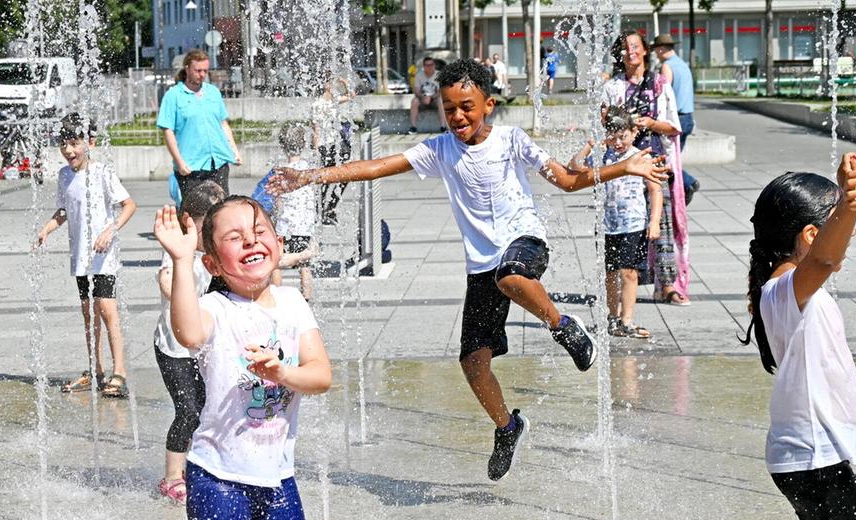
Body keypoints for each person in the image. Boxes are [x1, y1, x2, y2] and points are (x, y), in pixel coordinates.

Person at [268, 59, 666, 481]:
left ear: (488, 104)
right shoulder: (439, 150)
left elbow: (567, 180)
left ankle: (563, 324)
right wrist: (311, 176)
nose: (458, 116)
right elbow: (376, 167)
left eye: (467, 107)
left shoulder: (512, 140)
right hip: (481, 265)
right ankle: (507, 428)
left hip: (524, 242)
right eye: (449, 107)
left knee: (511, 275)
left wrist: (624, 166)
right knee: (473, 364)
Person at [153, 196, 331, 520]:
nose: (250, 241)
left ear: (278, 241)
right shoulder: (216, 309)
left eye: (258, 232)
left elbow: (321, 375)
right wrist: (180, 260)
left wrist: (281, 371)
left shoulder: (292, 303)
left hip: (278, 479)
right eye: (234, 238)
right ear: (213, 263)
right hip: (218, 479)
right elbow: (188, 332)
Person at [716, 154, 856, 520]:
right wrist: (849, 204)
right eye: (831, 229)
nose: (839, 243)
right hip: (815, 454)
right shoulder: (788, 288)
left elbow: (824, 258)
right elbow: (827, 258)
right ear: (809, 235)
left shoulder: (783, 289)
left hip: (813, 453)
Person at [37, 114, 138, 398]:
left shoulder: (103, 172)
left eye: (74, 143)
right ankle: (96, 370)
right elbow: (64, 211)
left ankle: (120, 372)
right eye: (63, 144)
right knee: (89, 314)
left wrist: (110, 229)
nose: (69, 150)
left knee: (107, 311)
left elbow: (129, 205)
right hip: (80, 257)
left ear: (89, 142)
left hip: (103, 255)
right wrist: (48, 227)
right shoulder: (64, 175)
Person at [603, 30, 692, 307]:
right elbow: (604, 126)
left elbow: (673, 126)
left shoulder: (659, 84)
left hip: (653, 161)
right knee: (624, 223)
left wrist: (650, 124)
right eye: (625, 47)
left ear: (644, 50)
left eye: (635, 46)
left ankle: (667, 286)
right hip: (624, 165)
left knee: (662, 225)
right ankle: (625, 282)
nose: (631, 51)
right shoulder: (612, 87)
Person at [154, 182, 225, 506]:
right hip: (174, 349)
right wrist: (187, 300)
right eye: (204, 226)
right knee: (187, 410)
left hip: (203, 348)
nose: (209, 232)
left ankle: (200, 466)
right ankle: (171, 478)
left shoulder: (214, 253)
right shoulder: (178, 250)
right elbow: (166, 280)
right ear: (187, 221)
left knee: (210, 408)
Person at [568, 107, 662, 339]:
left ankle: (627, 320)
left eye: (623, 136)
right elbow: (573, 166)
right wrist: (591, 144)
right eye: (613, 136)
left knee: (629, 273)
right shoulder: (602, 157)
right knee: (609, 273)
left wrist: (655, 221)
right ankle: (612, 317)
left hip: (634, 224)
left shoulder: (641, 156)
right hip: (607, 226)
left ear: (633, 132)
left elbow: (655, 190)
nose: (618, 142)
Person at [157, 49, 241, 197]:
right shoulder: (173, 96)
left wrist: (234, 150)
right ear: (187, 68)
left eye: (205, 71)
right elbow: (167, 131)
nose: (202, 75)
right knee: (194, 214)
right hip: (191, 166)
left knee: (221, 210)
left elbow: (223, 124)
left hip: (218, 162)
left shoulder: (213, 92)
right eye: (198, 70)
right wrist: (179, 162)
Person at [652, 34, 701, 203]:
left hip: (676, 119)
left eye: (656, 50)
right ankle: (680, 190)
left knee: (668, 160)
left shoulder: (667, 66)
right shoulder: (683, 65)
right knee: (672, 159)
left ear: (661, 49)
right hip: (688, 117)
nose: (655, 54)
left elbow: (664, 94)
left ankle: (688, 183)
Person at [273, 123, 319, 301]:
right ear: (304, 144)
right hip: (304, 226)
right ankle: (306, 298)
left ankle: (276, 294)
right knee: (305, 265)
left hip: (284, 227)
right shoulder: (308, 168)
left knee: (276, 262)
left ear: (282, 145)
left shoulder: (280, 169)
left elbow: (277, 199)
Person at [310, 76, 355, 225]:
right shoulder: (318, 104)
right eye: (331, 83)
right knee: (325, 180)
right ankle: (321, 211)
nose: (334, 86)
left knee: (344, 176)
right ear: (325, 85)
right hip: (325, 146)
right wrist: (316, 149)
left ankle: (331, 207)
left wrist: (345, 82)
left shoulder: (334, 101)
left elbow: (352, 95)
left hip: (336, 145)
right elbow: (315, 128)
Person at [408, 57, 447, 134]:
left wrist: (432, 97)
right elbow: (416, 90)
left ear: (434, 65)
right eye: (427, 65)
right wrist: (423, 97)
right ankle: (413, 127)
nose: (429, 67)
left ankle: (443, 127)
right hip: (422, 99)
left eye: (431, 64)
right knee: (414, 101)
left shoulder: (439, 75)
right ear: (424, 66)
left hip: (435, 99)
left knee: (441, 101)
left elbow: (441, 91)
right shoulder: (419, 75)